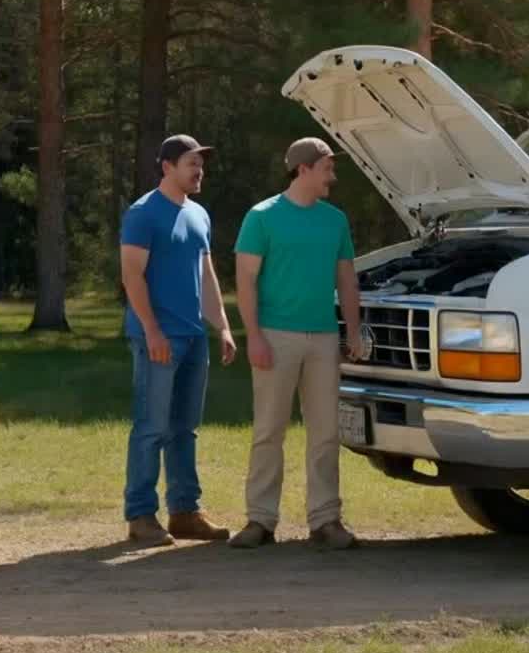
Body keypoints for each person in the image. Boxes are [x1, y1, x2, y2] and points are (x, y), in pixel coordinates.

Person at [230, 136, 363, 550]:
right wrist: (253, 337)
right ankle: (260, 520)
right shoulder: (262, 217)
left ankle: (326, 520)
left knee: (325, 431)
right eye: (327, 167)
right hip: (275, 336)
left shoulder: (334, 220)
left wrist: (353, 331)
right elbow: (246, 282)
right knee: (269, 430)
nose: (332, 177)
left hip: (323, 338)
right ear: (303, 169)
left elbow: (346, 278)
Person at [119, 134, 238, 546]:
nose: (199, 168)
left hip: (193, 338)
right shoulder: (143, 214)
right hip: (158, 337)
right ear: (167, 166)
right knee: (151, 427)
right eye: (191, 161)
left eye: (201, 162)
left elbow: (207, 275)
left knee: (184, 429)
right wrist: (151, 330)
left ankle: (185, 512)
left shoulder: (199, 215)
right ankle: (140, 515)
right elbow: (132, 275)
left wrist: (221, 325)